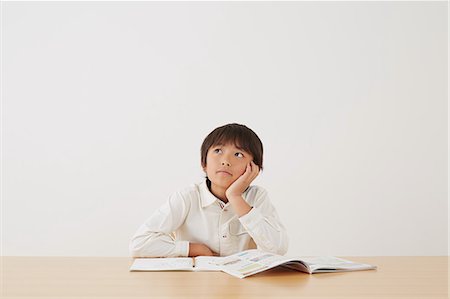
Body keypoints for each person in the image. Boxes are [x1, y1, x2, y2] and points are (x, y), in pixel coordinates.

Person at [129, 123, 288, 257]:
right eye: (218, 151)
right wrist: (193, 249)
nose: (226, 161)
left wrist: (235, 196)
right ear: (203, 163)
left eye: (238, 154)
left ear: (253, 168)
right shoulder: (188, 197)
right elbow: (139, 243)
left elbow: (277, 249)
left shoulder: (257, 197)